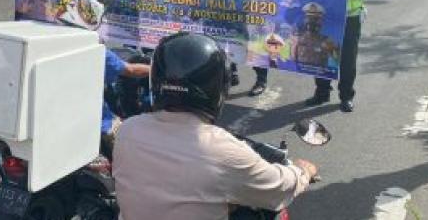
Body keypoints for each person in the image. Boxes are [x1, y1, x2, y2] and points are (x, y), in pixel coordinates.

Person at [113, 33, 317, 220]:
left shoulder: (128, 130)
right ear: (218, 86)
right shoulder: (222, 150)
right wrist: (302, 172)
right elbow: (279, 189)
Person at [59, 0, 150, 158]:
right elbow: (130, 70)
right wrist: (157, 70)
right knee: (137, 147)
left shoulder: (55, 37)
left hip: (63, 118)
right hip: (99, 121)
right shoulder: (93, 49)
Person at [290, 3, 340, 69]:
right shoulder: (297, 38)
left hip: (320, 73)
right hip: (299, 73)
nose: (311, 22)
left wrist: (336, 50)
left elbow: (337, 61)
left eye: (315, 19)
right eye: (309, 18)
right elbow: (292, 59)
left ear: (320, 22)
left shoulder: (327, 41)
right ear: (305, 20)